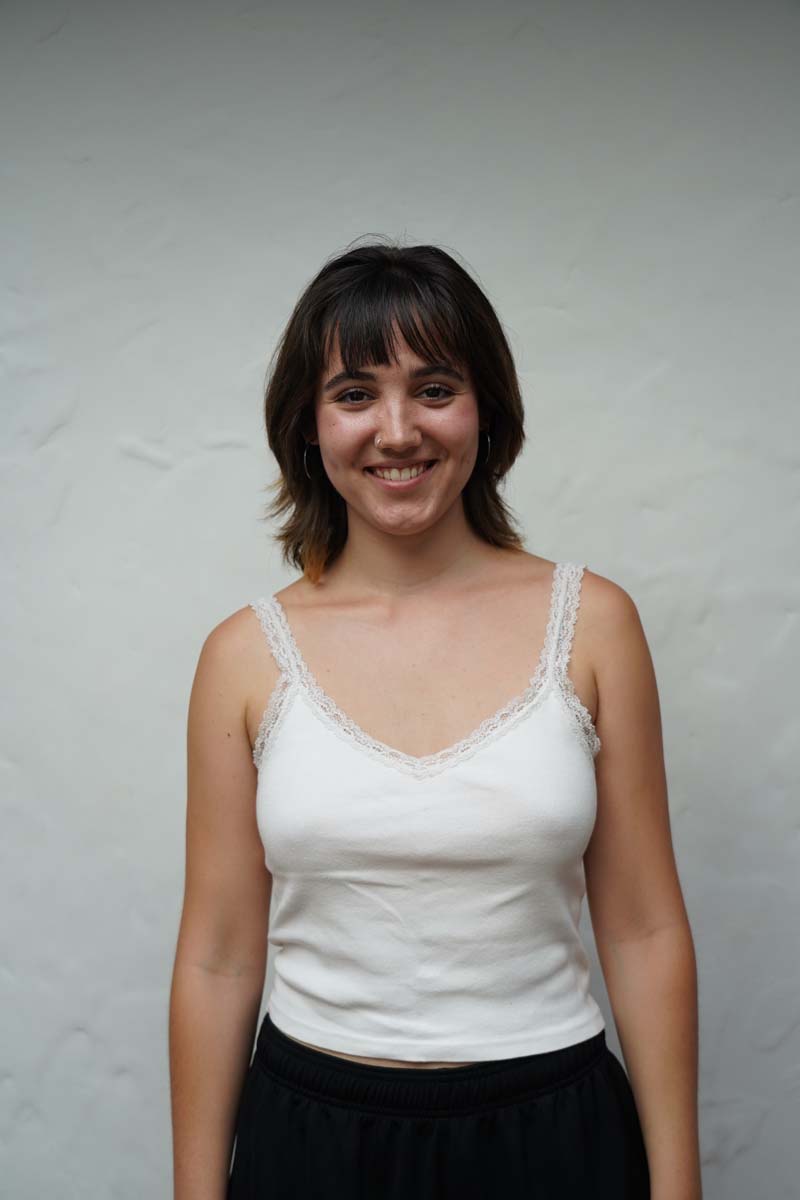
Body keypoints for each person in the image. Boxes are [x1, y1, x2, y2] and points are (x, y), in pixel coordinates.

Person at [169, 239, 702, 1199]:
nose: (398, 430)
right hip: (312, 1139)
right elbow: (215, 957)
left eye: (435, 387)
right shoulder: (242, 656)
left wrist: (678, 1186)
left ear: (485, 409)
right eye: (355, 393)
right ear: (309, 425)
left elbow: (645, 928)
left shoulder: (596, 626)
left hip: (554, 1132)